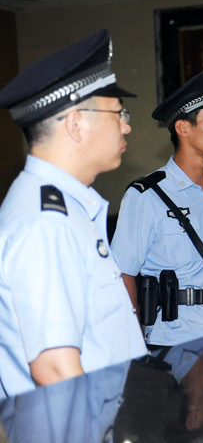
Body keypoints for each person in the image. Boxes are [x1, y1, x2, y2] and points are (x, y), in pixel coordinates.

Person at [0, 29, 147, 397]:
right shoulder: (46, 222)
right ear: (76, 123)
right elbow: (55, 369)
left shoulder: (66, 209)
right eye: (118, 112)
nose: (127, 125)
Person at [112, 72, 203, 346]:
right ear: (183, 128)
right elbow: (124, 274)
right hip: (175, 338)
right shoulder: (147, 195)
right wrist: (134, 347)